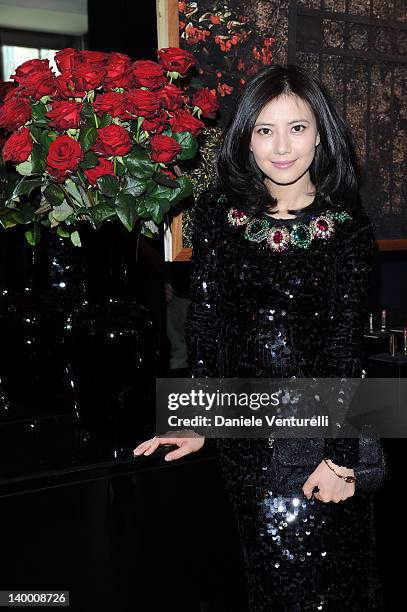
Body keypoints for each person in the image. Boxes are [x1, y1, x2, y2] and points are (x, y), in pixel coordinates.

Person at [133, 64, 383, 610]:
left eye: (297, 128)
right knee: (263, 582)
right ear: (246, 137)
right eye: (264, 130)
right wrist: (195, 420)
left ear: (322, 135)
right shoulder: (217, 215)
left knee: (331, 586)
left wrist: (341, 459)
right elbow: (205, 325)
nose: (281, 147)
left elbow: (346, 347)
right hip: (248, 438)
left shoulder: (347, 226)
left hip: (323, 435)